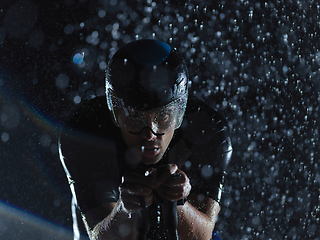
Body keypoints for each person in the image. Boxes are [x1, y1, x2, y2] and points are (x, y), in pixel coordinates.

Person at [58, 39, 232, 240]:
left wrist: (179, 204)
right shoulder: (85, 133)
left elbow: (202, 235)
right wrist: (125, 209)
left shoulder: (206, 129)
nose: (150, 134)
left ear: (179, 113)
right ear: (115, 112)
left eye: (163, 117)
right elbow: (100, 237)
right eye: (135, 118)